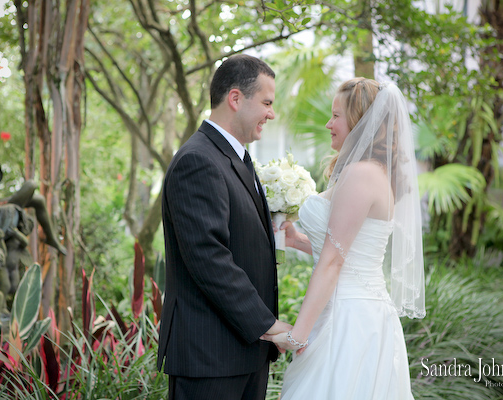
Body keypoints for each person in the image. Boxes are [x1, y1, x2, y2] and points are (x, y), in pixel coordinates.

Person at [262, 78, 426, 399]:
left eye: (336, 115)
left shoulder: (361, 173)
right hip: (358, 312)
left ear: (361, 120)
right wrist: (296, 240)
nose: (328, 124)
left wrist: (299, 334)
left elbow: (334, 261)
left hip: (348, 321)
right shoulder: (373, 171)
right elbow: (348, 250)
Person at [157, 54, 292, 400]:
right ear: (235, 98)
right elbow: (208, 256)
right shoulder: (198, 160)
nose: (271, 114)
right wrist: (267, 324)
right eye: (266, 102)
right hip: (210, 359)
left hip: (244, 354)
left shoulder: (237, 159)